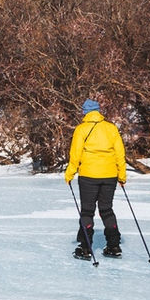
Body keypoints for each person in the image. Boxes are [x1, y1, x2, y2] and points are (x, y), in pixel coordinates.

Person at [64, 99, 126, 259]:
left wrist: (69, 173)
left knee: (87, 211)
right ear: (98, 111)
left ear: (85, 112)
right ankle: (114, 246)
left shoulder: (81, 129)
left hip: (88, 176)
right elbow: (120, 153)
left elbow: (75, 155)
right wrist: (122, 175)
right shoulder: (111, 128)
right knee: (106, 209)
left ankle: (85, 248)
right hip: (110, 175)